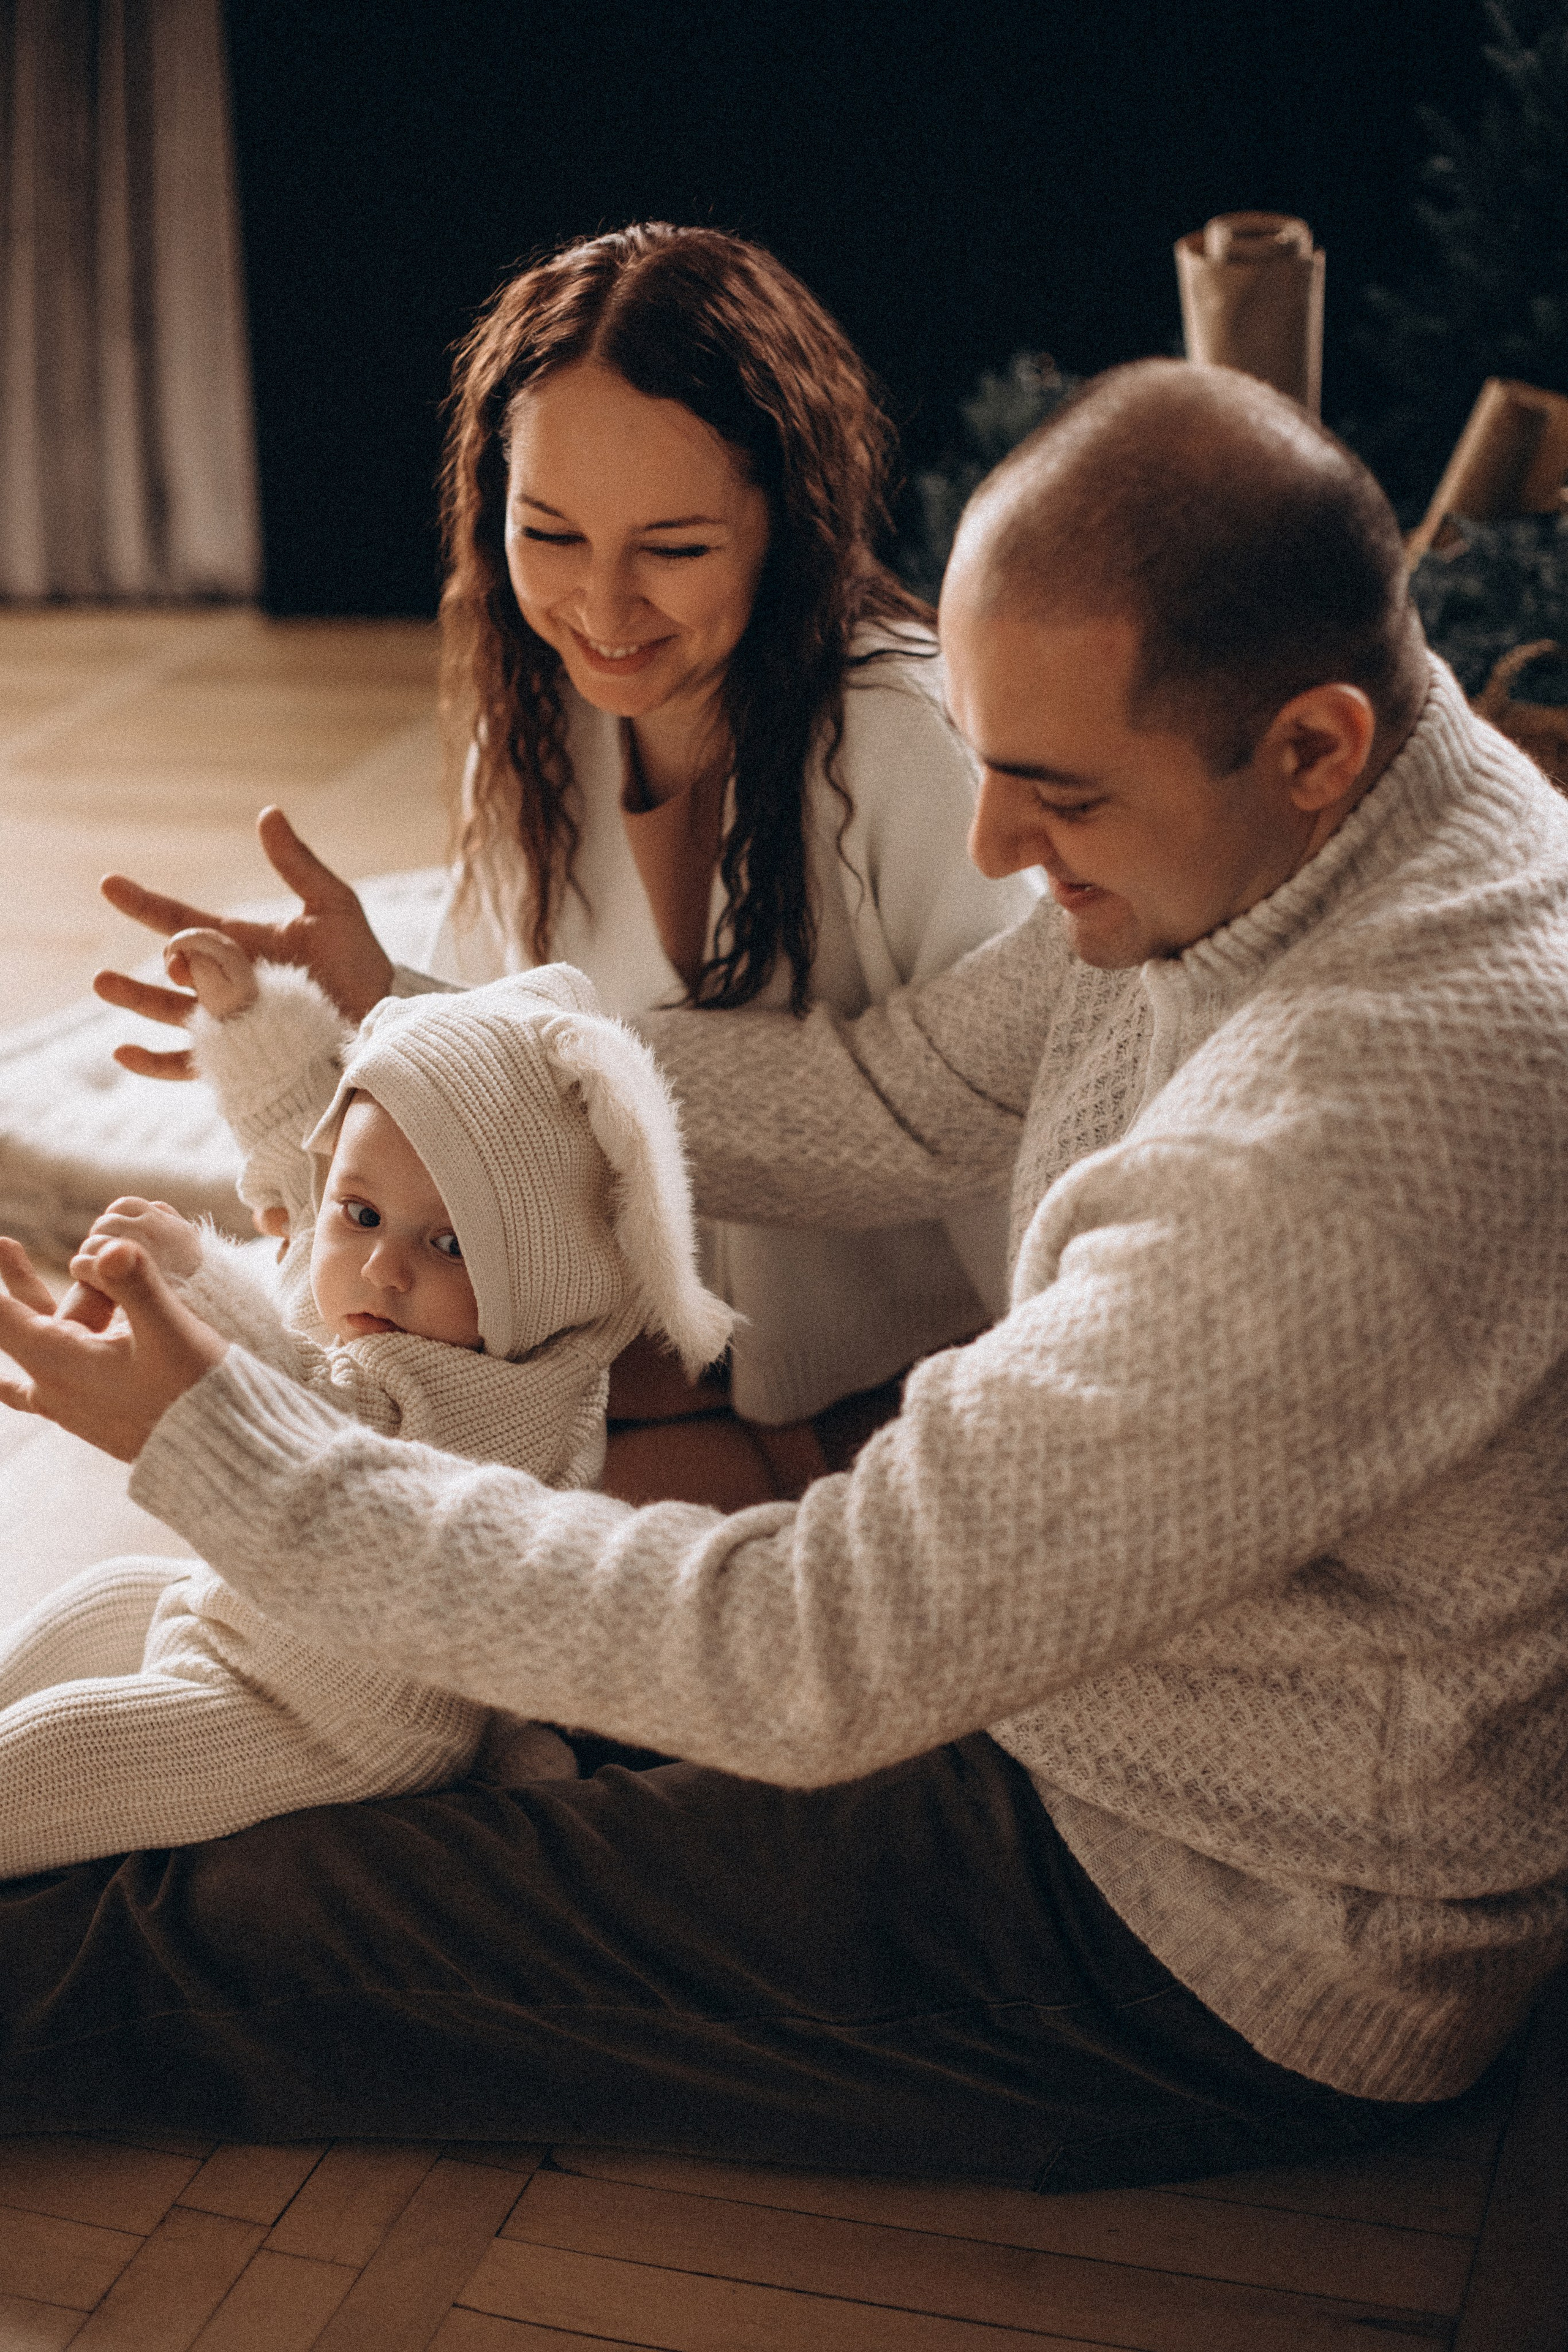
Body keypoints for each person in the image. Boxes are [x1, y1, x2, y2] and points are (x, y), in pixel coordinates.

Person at [3, 359, 1566, 2188]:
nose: (992, 849)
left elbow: (809, 1649)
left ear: (1312, 748)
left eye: (1053, 796)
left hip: (1214, 1920)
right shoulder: (1335, 808)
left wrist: (242, 1456)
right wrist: (432, 1045)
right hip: (1043, 1665)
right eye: (985, 763)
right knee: (355, 1727)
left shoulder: (1345, 1146)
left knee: (254, 1922)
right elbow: (894, 1093)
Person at [92, 222, 1040, 1508]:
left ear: (790, 518)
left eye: (675, 549)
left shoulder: (905, 740)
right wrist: (348, 1011)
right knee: (288, 1442)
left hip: (912, 1403)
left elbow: (1004, 1125)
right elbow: (501, 1124)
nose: (601, 608)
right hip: (624, 1380)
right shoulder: (537, 728)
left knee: (394, 1531)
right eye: (548, 534)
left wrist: (1003, 1444)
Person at [0, 940, 729, 1877]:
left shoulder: (513, 1394)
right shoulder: (379, 1283)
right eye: (364, 1215)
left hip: (333, 1721)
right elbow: (296, 1155)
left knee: (66, 1755)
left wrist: (193, 1276)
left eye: (450, 1244)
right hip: (246, 1622)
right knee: (95, 1604)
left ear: (544, 1280)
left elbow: (313, 1425)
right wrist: (250, 1022)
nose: (384, 1266)